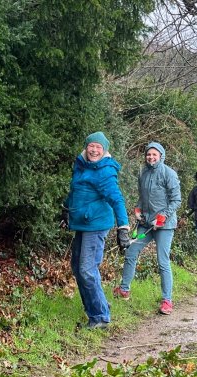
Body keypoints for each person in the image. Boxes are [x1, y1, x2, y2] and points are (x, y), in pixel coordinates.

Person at [62, 131, 130, 329]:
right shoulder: (81, 164)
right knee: (77, 267)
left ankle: (100, 317)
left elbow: (117, 199)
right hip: (82, 222)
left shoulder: (105, 171)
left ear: (104, 150)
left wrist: (123, 228)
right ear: (86, 146)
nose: (94, 150)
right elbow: (75, 191)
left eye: (98, 147)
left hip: (97, 225)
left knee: (86, 269)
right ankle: (98, 305)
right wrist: (66, 210)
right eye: (91, 146)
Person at [113, 142, 181, 315]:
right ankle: (124, 289)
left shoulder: (169, 173)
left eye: (154, 154)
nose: (151, 157)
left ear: (161, 156)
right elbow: (142, 196)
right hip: (146, 223)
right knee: (131, 252)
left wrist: (163, 215)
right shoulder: (143, 172)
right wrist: (137, 208)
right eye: (148, 154)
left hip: (164, 225)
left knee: (162, 261)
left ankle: (167, 301)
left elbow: (176, 200)